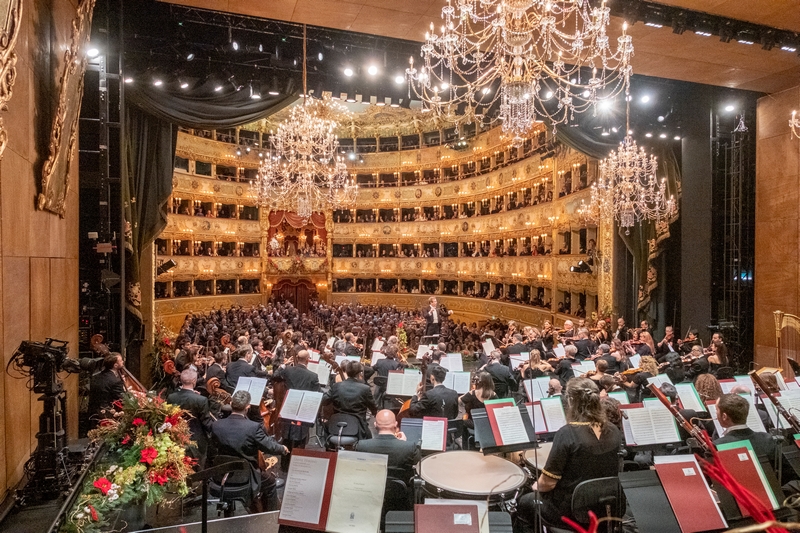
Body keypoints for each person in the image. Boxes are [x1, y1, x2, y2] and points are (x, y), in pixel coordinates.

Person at [516, 378, 623, 529]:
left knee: (524, 502)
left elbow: (548, 483)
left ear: (571, 401)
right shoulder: (614, 430)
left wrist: (535, 486)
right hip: (604, 506)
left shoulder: (567, 433)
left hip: (571, 511)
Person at [210, 390, 288, 512]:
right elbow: (268, 446)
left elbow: (214, 448)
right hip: (245, 475)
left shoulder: (216, 425)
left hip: (221, 474)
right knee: (271, 482)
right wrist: (282, 448)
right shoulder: (253, 427)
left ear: (231, 403)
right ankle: (270, 517)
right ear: (248, 407)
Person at [273, 350, 321, 468]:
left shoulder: (288, 370)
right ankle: (297, 466)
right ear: (308, 360)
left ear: (296, 359)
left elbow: (274, 376)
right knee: (301, 436)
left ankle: (284, 465)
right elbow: (317, 394)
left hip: (289, 405)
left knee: (287, 435)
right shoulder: (313, 376)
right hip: (303, 407)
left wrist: (284, 364)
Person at [355, 410, 420, 482]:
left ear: (375, 425)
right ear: (395, 424)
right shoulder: (410, 447)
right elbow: (419, 469)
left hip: (371, 490)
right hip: (401, 492)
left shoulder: (362, 446)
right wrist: (404, 443)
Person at [167, 369, 214, 469]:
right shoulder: (201, 400)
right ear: (194, 381)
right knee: (197, 469)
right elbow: (206, 423)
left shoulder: (171, 397)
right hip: (197, 439)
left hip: (177, 437)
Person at [323, 361, 378, 439]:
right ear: (360, 373)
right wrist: (375, 413)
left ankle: (329, 448)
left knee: (325, 427)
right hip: (358, 427)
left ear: (347, 372)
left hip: (336, 424)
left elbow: (325, 401)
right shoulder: (365, 389)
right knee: (369, 437)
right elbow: (373, 407)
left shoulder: (336, 386)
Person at [714, 393, 776, 460]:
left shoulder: (718, 446)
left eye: (717, 410)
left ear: (724, 417)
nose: (716, 413)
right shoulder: (767, 439)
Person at [88, 353, 126, 426]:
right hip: (106, 415)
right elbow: (122, 398)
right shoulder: (115, 381)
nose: (123, 362)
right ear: (115, 365)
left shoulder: (96, 377)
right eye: (121, 361)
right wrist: (124, 387)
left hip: (93, 414)